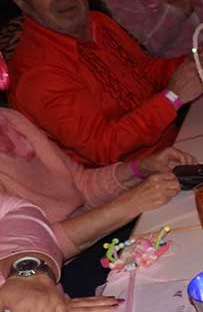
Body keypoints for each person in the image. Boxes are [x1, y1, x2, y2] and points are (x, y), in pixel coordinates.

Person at [2, 0, 203, 167]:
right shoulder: (37, 72)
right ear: (20, 0)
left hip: (178, 143)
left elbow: (144, 71)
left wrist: (193, 61)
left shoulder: (97, 22)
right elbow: (103, 147)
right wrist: (173, 97)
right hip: (136, 179)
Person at [0, 105, 192, 294]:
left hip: (97, 238)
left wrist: (138, 169)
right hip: (58, 275)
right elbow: (34, 247)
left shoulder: (9, 119)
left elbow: (80, 184)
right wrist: (131, 204)